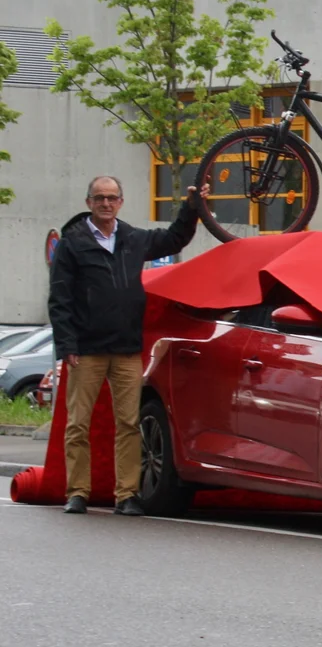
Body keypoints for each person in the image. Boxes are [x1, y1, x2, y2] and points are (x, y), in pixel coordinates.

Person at [48, 175, 211, 516]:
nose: (105, 203)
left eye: (111, 197)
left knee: (128, 424)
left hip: (126, 349)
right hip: (86, 350)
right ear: (88, 202)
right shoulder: (72, 244)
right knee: (78, 424)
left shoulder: (133, 238)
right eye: (99, 198)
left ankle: (127, 495)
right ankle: (77, 492)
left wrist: (192, 207)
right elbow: (60, 299)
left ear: (121, 202)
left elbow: (174, 238)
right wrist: (67, 345)